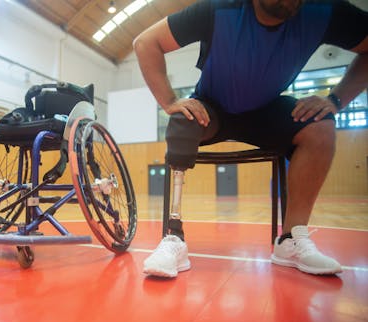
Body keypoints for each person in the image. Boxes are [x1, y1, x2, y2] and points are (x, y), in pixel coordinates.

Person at [133, 0, 368, 278]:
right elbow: (145, 42)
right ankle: (174, 237)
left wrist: (335, 99)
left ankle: (291, 238)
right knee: (183, 120)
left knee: (320, 126)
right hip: (213, 108)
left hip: (266, 110)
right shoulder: (220, 9)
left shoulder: (323, 10)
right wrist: (170, 100)